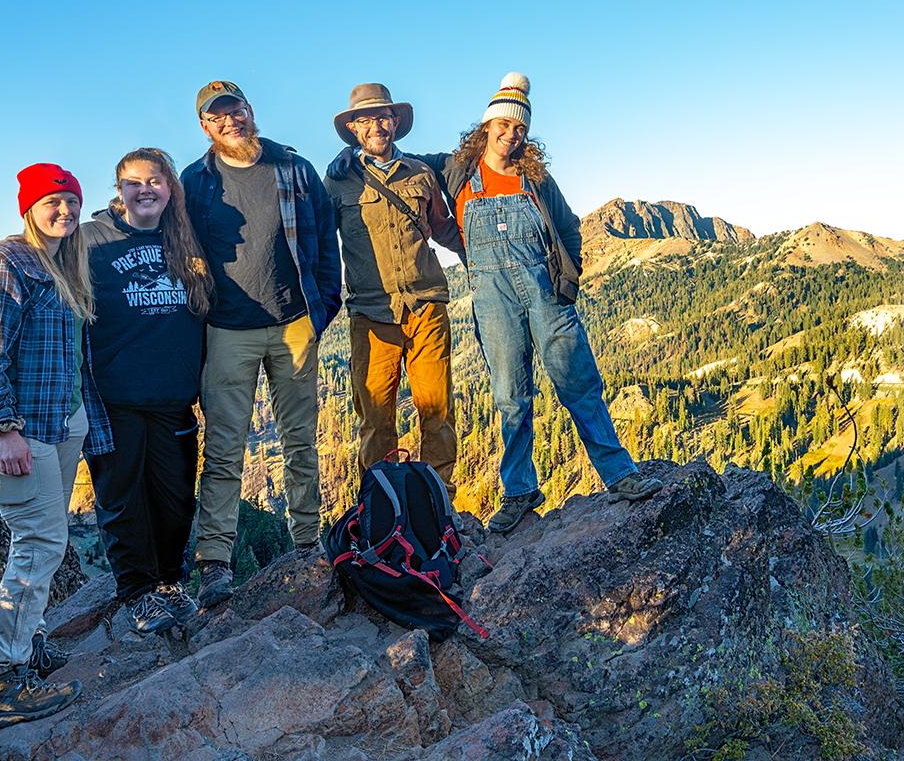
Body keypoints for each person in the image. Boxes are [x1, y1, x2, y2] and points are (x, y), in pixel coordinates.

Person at [329, 73, 663, 533]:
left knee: (578, 385)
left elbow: (567, 227)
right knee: (511, 397)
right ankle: (520, 488)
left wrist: (569, 281)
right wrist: (348, 158)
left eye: (519, 128)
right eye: (502, 125)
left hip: (545, 295)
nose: (510, 134)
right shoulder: (454, 171)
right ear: (484, 129)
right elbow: (388, 165)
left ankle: (619, 474)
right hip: (487, 299)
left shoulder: (535, 179)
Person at [0, 163, 113, 729]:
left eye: (72, 201)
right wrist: (6, 429)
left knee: (47, 539)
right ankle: (3, 681)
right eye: (54, 201)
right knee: (39, 543)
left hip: (61, 421)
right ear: (29, 206)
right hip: (21, 425)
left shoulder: (65, 265)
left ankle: (31, 645)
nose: (66, 211)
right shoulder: (6, 262)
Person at [181, 80, 342, 607]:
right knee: (225, 448)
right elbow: (172, 241)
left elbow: (324, 235)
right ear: (204, 126)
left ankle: (307, 545)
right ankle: (215, 563)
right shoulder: (195, 181)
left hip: (295, 323)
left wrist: (326, 304)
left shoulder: (292, 167)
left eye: (236, 110)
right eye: (217, 117)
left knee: (301, 442)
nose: (230, 122)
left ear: (251, 111)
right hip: (227, 329)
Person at [83, 148, 214, 633]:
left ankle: (168, 582)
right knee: (122, 499)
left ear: (169, 188)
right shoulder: (90, 239)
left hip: (174, 397)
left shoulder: (185, 236)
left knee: (175, 497)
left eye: (154, 181)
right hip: (114, 399)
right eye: (133, 182)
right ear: (119, 189)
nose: (145, 190)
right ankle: (136, 592)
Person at [324, 83, 465, 497]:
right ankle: (380, 507)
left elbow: (443, 229)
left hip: (426, 308)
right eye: (365, 119)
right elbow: (316, 245)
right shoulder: (337, 184)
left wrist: (487, 254)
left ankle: (440, 502)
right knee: (375, 420)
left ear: (396, 122)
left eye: (383, 116)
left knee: (437, 412)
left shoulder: (420, 174)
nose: (376, 126)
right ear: (353, 128)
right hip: (370, 315)